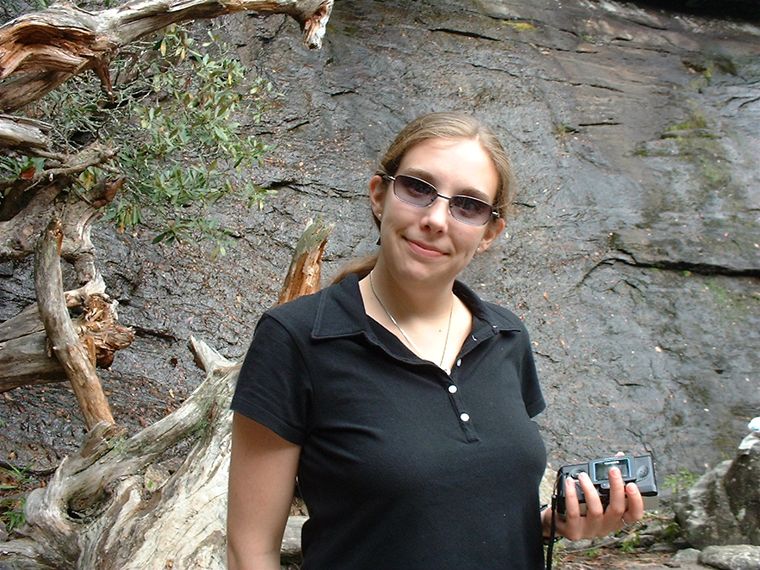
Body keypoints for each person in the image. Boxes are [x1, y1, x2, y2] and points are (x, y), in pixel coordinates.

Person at [227, 112, 644, 570]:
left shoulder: (506, 337)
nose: (436, 219)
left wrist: (550, 523)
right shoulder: (297, 338)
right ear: (379, 195)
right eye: (418, 187)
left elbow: (464, 506)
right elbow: (251, 550)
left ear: (490, 233)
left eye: (468, 205)